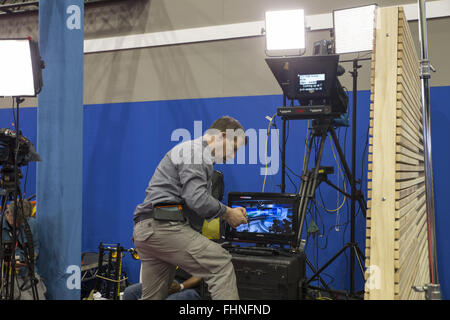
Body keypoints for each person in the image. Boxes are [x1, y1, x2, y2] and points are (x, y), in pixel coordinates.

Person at [132, 116, 248, 300]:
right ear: (222, 136)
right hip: (163, 227)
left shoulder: (192, 153)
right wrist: (228, 213)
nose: (232, 157)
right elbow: (197, 200)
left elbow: (192, 203)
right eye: (233, 149)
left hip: (148, 230)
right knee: (220, 264)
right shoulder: (196, 152)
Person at [1, 199, 47, 300]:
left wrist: (33, 255)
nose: (18, 225)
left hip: (29, 272)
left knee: (40, 297)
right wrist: (5, 263)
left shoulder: (31, 224)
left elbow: (35, 245)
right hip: (8, 276)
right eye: (16, 221)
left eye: (21, 222)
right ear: (8, 212)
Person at [123, 274, 202, 300]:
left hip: (191, 288)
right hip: (170, 282)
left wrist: (181, 286)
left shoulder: (202, 250)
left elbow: (201, 275)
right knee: (129, 292)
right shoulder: (177, 250)